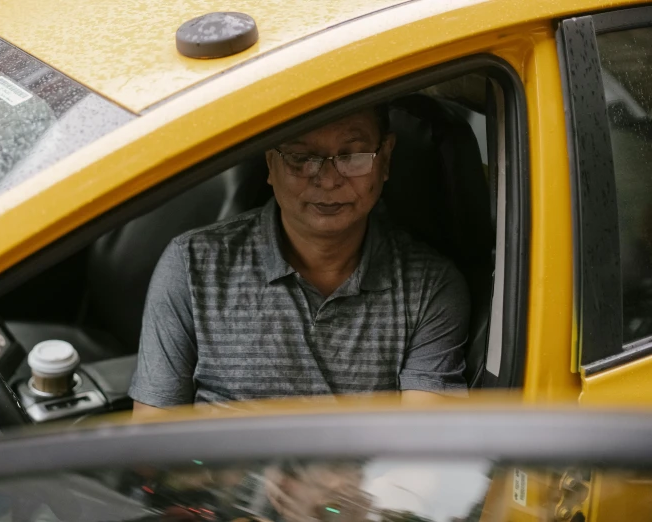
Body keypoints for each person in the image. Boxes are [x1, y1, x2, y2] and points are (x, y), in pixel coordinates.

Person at [129, 105, 469, 415]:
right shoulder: (193, 265)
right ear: (269, 161)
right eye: (302, 158)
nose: (328, 179)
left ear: (386, 159)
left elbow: (424, 457)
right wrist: (255, 481)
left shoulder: (431, 286)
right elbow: (151, 445)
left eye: (352, 155)